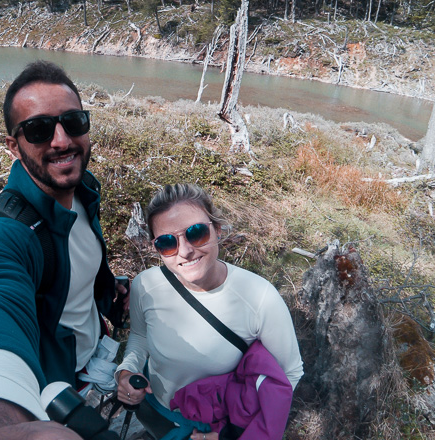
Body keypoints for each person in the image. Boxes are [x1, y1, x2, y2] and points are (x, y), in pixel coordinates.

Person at [0, 61, 125, 440]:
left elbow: (75, 269)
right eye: (39, 129)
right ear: (14, 146)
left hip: (96, 358)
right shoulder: (0, 233)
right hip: (57, 389)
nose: (61, 140)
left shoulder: (83, 190)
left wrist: (108, 288)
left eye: (73, 122)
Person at [115, 183, 303, 440]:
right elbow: (139, 336)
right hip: (154, 411)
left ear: (217, 230)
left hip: (216, 429)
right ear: (156, 248)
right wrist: (126, 371)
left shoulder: (260, 298)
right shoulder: (146, 285)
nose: (185, 251)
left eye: (196, 233)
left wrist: (235, 435)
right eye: (167, 242)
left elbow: (290, 374)